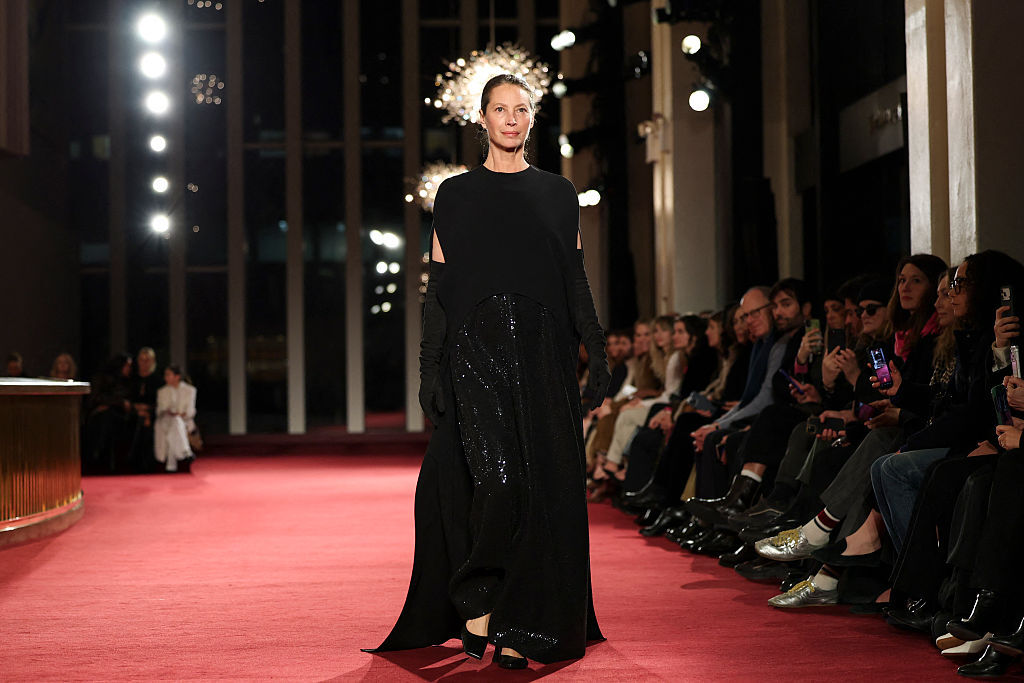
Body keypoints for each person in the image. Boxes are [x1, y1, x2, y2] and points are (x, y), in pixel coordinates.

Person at [365, 73, 607, 669]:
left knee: (543, 487)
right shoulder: (455, 194)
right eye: (501, 109)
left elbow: (574, 279)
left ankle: (518, 623)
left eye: (521, 109)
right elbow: (439, 289)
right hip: (476, 354)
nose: (512, 118)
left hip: (545, 356)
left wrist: (596, 348)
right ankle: (478, 598)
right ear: (483, 118)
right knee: (497, 483)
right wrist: (429, 367)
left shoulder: (558, 193)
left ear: (532, 119)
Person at [154, 365, 197, 473]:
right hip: (165, 420)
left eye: (168, 375)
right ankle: (185, 452)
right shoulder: (162, 391)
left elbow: (191, 410)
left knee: (176, 424)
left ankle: (171, 466)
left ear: (177, 376)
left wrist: (181, 414)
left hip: (184, 421)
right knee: (174, 423)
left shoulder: (190, 390)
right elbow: (159, 410)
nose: (165, 377)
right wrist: (167, 411)